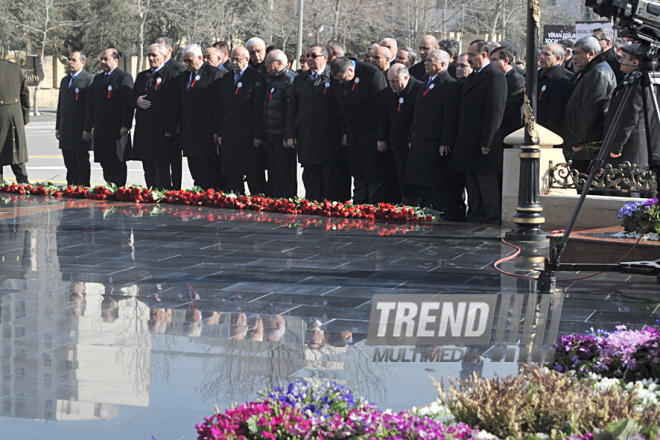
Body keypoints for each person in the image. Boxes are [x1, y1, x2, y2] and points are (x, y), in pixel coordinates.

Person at [451, 39, 507, 225]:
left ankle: (491, 217)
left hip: (483, 141)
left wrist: (487, 142)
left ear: (484, 55)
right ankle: (475, 215)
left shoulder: (495, 77)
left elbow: (494, 112)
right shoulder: (473, 76)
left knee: (486, 184)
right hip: (468, 139)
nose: (469, 59)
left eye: (472, 55)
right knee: (472, 184)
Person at [405, 50, 464, 220]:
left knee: (437, 181)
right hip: (421, 140)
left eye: (431, 61)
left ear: (443, 64)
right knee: (423, 181)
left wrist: (446, 141)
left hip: (436, 141)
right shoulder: (426, 82)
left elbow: (450, 116)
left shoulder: (449, 84)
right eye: (426, 61)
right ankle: (428, 210)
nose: (426, 63)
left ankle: (443, 213)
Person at [285, 45, 344, 201]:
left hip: (328, 137)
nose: (309, 59)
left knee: (328, 177)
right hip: (306, 136)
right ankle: (311, 208)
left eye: (314, 56)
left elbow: (342, 108)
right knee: (310, 177)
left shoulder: (333, 77)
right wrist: (290, 133)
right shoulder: (300, 79)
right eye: (308, 56)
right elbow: (292, 108)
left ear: (325, 58)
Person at [331, 56, 389, 204]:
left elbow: (381, 108)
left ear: (351, 69)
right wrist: (344, 131)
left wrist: (381, 137)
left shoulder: (372, 74)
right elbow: (341, 106)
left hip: (372, 132)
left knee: (373, 171)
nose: (341, 83)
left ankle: (374, 204)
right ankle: (359, 202)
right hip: (352, 133)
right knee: (357, 170)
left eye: (343, 79)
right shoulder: (338, 77)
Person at [165, 43, 223, 189]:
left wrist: (217, 131)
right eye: (184, 61)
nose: (186, 64)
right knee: (195, 168)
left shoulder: (214, 74)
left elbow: (218, 106)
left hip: (207, 131)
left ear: (200, 58)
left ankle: (208, 196)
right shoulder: (183, 76)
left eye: (190, 61)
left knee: (208, 169)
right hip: (189, 132)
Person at [218, 46, 267, 194]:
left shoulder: (256, 77)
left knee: (253, 174)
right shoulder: (227, 78)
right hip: (230, 134)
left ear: (247, 60)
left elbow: (258, 109)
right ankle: (236, 202)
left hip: (248, 135)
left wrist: (258, 134)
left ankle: (257, 203)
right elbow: (222, 107)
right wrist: (220, 132)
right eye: (232, 59)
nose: (233, 62)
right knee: (233, 175)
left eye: (237, 59)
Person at [563, 36, 616, 174]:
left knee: (584, 183)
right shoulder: (589, 70)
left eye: (578, 53)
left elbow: (589, 110)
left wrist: (579, 141)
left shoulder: (599, 72)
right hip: (583, 143)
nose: (574, 57)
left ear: (591, 54)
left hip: (587, 145)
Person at [83, 48, 134, 187]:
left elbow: (127, 104)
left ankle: (119, 191)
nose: (103, 62)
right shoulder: (98, 79)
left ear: (116, 60)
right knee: (105, 163)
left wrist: (126, 125)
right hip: (101, 129)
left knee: (117, 162)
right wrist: (91, 125)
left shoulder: (123, 77)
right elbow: (93, 104)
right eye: (102, 59)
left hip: (117, 130)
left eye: (106, 59)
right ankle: (109, 188)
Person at [604, 44, 659, 168]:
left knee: (628, 185)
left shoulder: (639, 83)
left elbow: (629, 117)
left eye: (624, 57)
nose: (620, 60)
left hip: (631, 150)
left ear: (635, 62)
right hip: (626, 147)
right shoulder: (630, 79)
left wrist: (617, 145)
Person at [132, 44, 178, 189]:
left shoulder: (172, 76)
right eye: (149, 55)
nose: (151, 58)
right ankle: (150, 194)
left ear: (164, 57)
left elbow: (173, 105)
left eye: (154, 55)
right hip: (144, 130)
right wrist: (136, 101)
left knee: (161, 168)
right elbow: (132, 96)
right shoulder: (142, 76)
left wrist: (169, 129)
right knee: (148, 167)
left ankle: (163, 196)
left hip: (161, 131)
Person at [377, 64, 422, 204]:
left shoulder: (419, 89)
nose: (392, 84)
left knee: (412, 178)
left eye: (395, 81)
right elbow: (383, 117)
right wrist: (382, 138)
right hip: (395, 143)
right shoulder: (388, 93)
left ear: (406, 77)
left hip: (412, 143)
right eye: (390, 81)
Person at [56, 51, 93, 186]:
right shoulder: (65, 80)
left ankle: (83, 186)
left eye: (74, 60)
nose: (70, 62)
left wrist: (87, 128)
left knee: (81, 160)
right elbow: (61, 105)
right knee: (69, 161)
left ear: (83, 63)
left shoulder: (89, 80)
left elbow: (90, 107)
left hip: (80, 129)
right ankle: (71, 186)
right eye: (69, 59)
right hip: (66, 128)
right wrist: (58, 127)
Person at [263, 50, 297, 198]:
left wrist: (289, 134)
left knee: (285, 174)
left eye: (269, 63)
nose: (266, 66)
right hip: (272, 135)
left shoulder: (289, 80)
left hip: (282, 136)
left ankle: (287, 202)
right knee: (274, 173)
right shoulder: (273, 79)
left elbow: (291, 110)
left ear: (280, 63)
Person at [0, 58, 30, 184]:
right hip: (15, 116)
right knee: (16, 153)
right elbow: (25, 94)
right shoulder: (15, 68)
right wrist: (25, 117)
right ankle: (24, 185)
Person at [537, 43, 572, 140]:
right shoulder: (537, 74)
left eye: (547, 54)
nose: (542, 57)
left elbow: (555, 113)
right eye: (542, 53)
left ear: (558, 58)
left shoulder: (560, 80)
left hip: (547, 134)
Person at [490, 46, 524, 140]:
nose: (491, 63)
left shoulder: (517, 80)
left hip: (507, 131)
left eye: (494, 60)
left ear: (506, 61)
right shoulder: (493, 77)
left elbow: (510, 109)